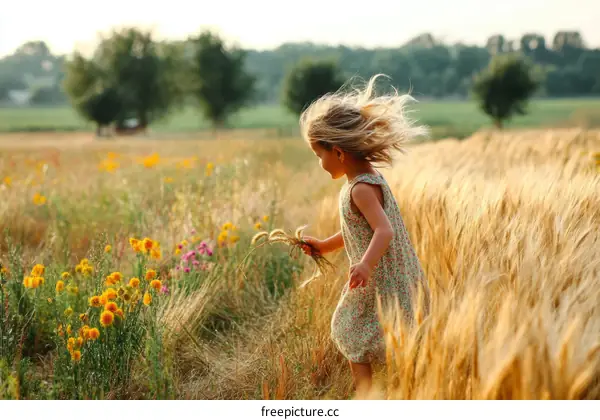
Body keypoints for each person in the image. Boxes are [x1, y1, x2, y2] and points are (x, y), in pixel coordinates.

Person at [299, 74, 430, 397]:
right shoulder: (367, 179)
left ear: (339, 153)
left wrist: (366, 265)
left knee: (350, 328)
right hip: (394, 275)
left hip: (383, 277)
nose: (319, 162)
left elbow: (383, 231)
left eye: (319, 154)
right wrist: (324, 246)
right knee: (388, 334)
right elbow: (359, 231)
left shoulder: (360, 189)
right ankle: (398, 388)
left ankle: (366, 393)